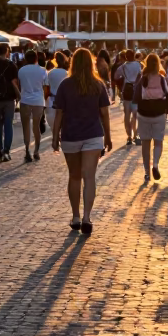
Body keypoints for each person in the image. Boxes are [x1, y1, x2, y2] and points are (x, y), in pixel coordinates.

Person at [51, 47, 112, 234]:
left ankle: (76, 216)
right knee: (89, 177)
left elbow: (59, 113)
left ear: (73, 63)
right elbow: (104, 114)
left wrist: (55, 137)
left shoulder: (65, 85)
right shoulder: (98, 85)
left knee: (75, 176)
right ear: (91, 63)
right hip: (93, 134)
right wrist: (108, 136)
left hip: (71, 135)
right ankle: (87, 216)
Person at [133, 54, 168, 183]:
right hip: (159, 113)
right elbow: (167, 93)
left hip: (144, 114)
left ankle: (147, 173)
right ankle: (155, 164)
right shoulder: (161, 78)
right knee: (158, 142)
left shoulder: (142, 78)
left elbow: (136, 95)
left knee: (145, 144)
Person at [17, 48, 48, 162]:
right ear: (36, 58)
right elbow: (45, 86)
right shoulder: (42, 70)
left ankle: (27, 151)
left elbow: (20, 85)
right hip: (38, 101)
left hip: (25, 100)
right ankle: (36, 151)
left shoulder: (21, 70)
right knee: (36, 126)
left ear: (25, 58)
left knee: (26, 127)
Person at [119, 50, 143, 145]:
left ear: (125, 57)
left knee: (127, 115)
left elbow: (116, 76)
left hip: (126, 91)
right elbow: (140, 75)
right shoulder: (138, 65)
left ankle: (129, 136)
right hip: (135, 91)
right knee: (135, 114)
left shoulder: (123, 66)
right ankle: (135, 134)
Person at [45, 51, 69, 134]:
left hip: (51, 100)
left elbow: (47, 88)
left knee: (53, 124)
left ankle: (56, 138)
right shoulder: (67, 73)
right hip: (65, 101)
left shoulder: (50, 73)